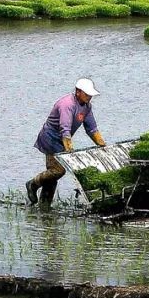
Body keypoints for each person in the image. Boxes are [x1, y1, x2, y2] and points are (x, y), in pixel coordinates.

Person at [26, 78, 106, 206]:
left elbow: (92, 129)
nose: (89, 97)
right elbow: (65, 130)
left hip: (62, 140)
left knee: (53, 174)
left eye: (91, 95)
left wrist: (102, 145)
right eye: (87, 94)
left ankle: (44, 207)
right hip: (50, 138)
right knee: (59, 170)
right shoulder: (67, 104)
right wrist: (70, 153)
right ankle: (33, 184)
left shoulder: (87, 107)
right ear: (78, 92)